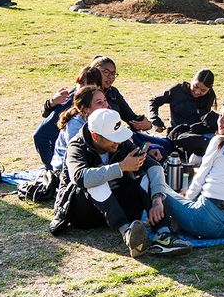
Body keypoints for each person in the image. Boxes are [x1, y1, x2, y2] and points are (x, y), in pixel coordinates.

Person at [49, 108, 193, 257]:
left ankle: (164, 235)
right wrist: (122, 167)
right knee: (96, 181)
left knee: (146, 176)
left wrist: (157, 199)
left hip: (118, 206)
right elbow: (80, 177)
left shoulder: (121, 142)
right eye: (113, 138)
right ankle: (127, 233)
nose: (118, 141)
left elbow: (154, 166)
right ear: (95, 136)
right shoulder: (76, 146)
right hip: (85, 213)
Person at [163, 100, 224, 238]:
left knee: (161, 189)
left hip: (205, 221)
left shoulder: (219, 142)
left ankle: (165, 227)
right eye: (220, 115)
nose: (221, 121)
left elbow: (200, 177)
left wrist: (187, 199)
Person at [34, 66, 105, 169]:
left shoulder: (102, 100)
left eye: (89, 84)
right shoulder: (69, 103)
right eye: (81, 83)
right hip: (68, 165)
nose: (83, 88)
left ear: (98, 87)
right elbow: (40, 134)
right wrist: (51, 167)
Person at [148, 69, 218, 160]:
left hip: (198, 132)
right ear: (192, 80)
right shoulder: (177, 90)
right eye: (195, 86)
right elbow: (154, 101)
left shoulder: (209, 96)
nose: (197, 92)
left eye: (203, 90)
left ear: (209, 89)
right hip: (179, 134)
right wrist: (155, 120)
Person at [50, 85, 110, 172]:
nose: (105, 105)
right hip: (65, 169)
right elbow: (78, 155)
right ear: (86, 110)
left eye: (105, 100)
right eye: (99, 102)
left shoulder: (104, 118)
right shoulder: (75, 126)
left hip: (92, 164)